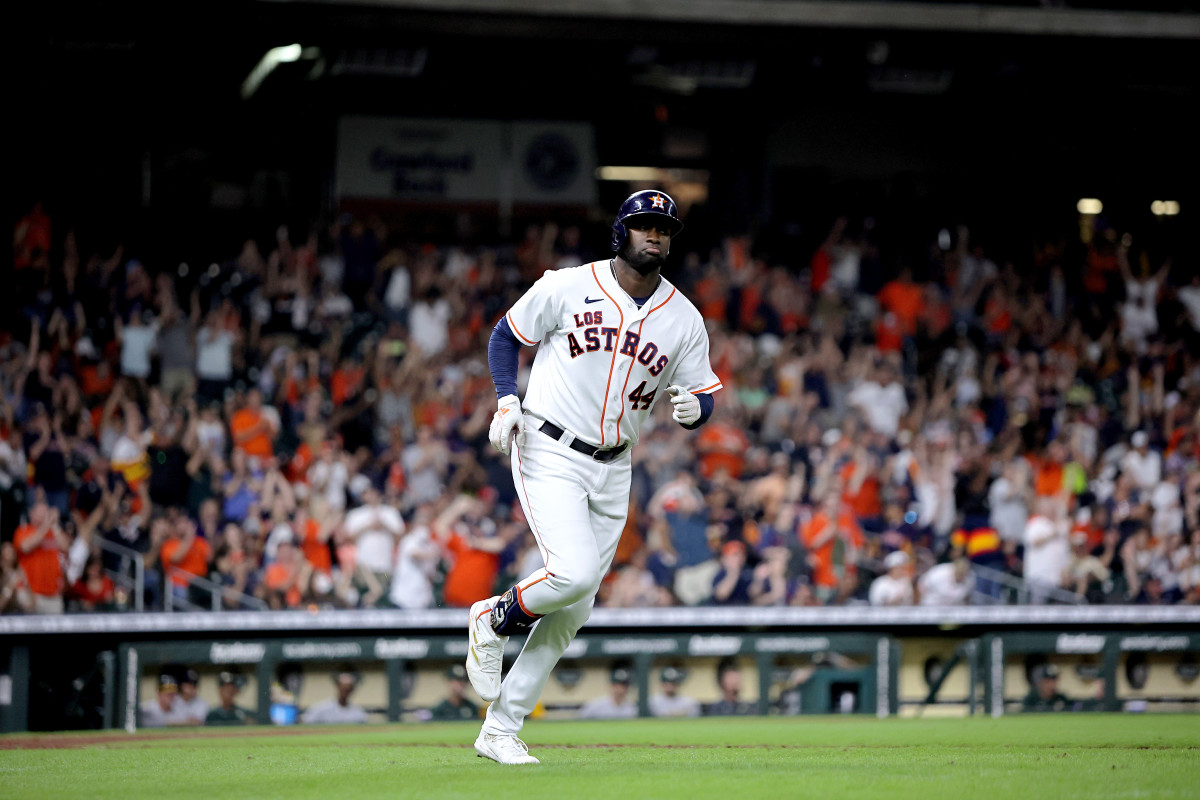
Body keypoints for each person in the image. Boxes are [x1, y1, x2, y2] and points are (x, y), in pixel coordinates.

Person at [467, 190, 721, 765]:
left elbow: (704, 390)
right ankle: (492, 616)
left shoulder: (682, 317)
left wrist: (695, 410)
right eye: (644, 225)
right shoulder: (567, 284)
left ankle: (500, 730)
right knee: (574, 573)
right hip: (548, 446)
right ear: (622, 232)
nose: (655, 236)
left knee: (575, 609)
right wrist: (507, 401)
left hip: (615, 466)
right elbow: (505, 337)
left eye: (664, 228)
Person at [301, 669, 369, 724]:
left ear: (352, 690)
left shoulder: (358, 712)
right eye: (344, 688)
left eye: (348, 689)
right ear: (338, 687)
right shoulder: (320, 709)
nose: (346, 692)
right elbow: (306, 725)